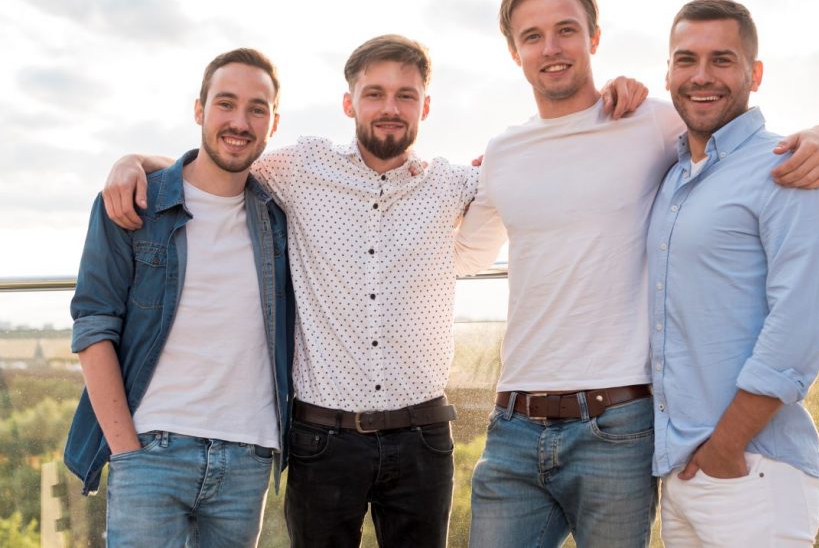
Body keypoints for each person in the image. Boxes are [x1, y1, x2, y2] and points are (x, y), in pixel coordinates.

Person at [99, 35, 647, 547]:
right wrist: (134, 162)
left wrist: (607, 106)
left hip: (424, 438)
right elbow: (218, 161)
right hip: (322, 439)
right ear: (349, 103)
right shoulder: (299, 167)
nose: (390, 107)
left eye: (406, 95)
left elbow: (542, 163)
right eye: (375, 94)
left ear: (425, 107)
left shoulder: (456, 183)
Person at [454, 0, 819, 548]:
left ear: (595, 38)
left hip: (621, 425)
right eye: (533, 36)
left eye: (567, 30)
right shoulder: (504, 153)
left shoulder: (654, 122)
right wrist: (427, 179)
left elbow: (732, 127)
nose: (552, 48)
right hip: (515, 423)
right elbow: (460, 253)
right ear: (515, 51)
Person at [64, 48, 295, 547]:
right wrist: (126, 449)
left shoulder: (280, 218)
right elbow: (92, 326)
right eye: (226, 103)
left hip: (248, 459)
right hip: (151, 450)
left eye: (257, 108)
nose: (240, 121)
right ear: (199, 111)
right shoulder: (136, 204)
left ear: (274, 123)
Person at [648, 0, 819, 547]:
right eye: (685, 60)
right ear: (667, 72)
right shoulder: (673, 173)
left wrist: (726, 447)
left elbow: (798, 329)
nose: (701, 76)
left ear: (754, 74)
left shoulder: (790, 166)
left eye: (722, 60)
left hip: (752, 469)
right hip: (681, 473)